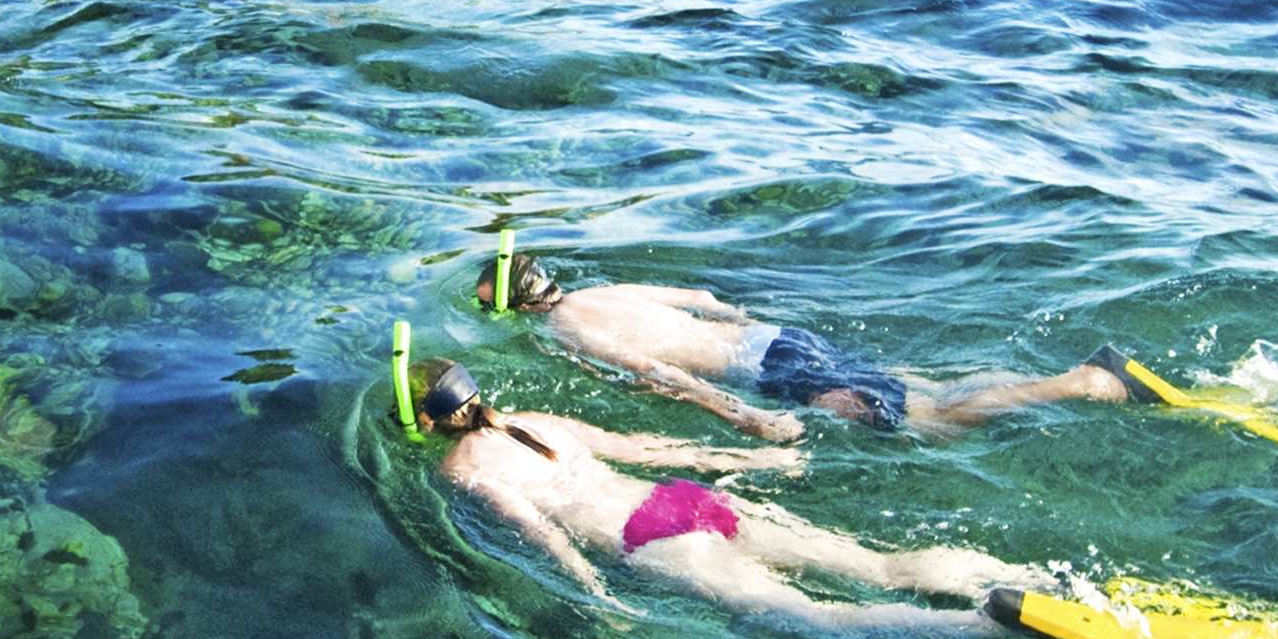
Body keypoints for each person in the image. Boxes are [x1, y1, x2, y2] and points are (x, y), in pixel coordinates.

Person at [400, 354, 1045, 639]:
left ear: (425, 420)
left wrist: (591, 592)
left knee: (816, 617)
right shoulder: (539, 420)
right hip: (682, 499)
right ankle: (1019, 577)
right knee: (878, 566)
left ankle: (979, 627)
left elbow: (536, 530)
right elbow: (648, 447)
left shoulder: (460, 468)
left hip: (648, 541)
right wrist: (749, 456)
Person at [477, 249, 1140, 442]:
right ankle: (1050, 383)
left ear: (514, 306)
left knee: (924, 424)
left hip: (763, 371)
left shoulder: (566, 329)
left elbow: (659, 373)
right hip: (776, 338)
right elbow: (705, 302)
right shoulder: (605, 289)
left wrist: (743, 416)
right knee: (923, 390)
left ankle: (1082, 383)